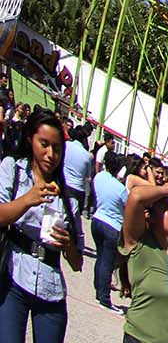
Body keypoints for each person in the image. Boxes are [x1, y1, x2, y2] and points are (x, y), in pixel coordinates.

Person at [0, 109, 84, 343]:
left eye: (57, 148)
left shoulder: (69, 198)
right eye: (44, 144)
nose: (50, 154)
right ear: (30, 139)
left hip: (51, 288)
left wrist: (68, 246)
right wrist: (28, 198)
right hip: (13, 276)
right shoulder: (13, 170)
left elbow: (78, 264)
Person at [121, 169, 168, 343]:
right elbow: (136, 196)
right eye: (167, 209)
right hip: (139, 338)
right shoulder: (140, 244)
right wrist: (167, 189)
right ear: (150, 217)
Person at [91, 151, 130, 309]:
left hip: (97, 219)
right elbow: (128, 208)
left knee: (100, 258)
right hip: (112, 226)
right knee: (107, 262)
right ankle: (104, 297)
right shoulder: (120, 189)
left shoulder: (99, 177)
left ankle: (98, 288)